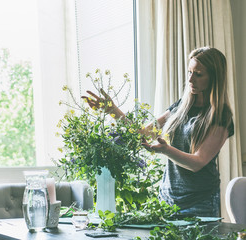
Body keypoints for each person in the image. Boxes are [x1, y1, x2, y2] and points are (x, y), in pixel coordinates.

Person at [82, 46, 234, 217]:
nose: (190, 79)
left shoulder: (220, 116)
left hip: (199, 202)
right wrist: (112, 110)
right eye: (190, 72)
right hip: (167, 200)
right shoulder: (180, 107)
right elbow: (143, 134)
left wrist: (166, 150)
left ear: (214, 78)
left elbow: (197, 162)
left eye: (198, 74)